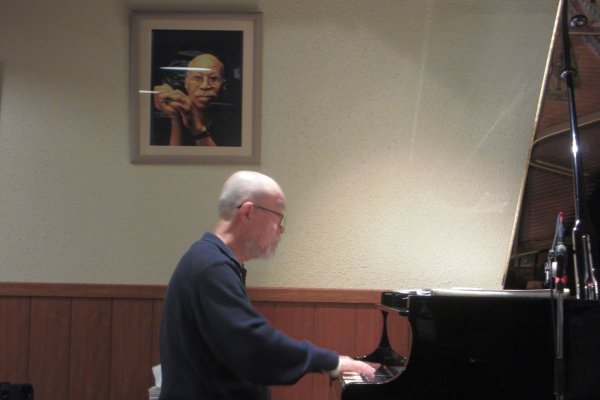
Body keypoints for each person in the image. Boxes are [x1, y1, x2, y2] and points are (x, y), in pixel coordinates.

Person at [158, 171, 376, 400]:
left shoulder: (211, 260)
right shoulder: (211, 267)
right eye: (278, 217)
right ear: (248, 212)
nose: (281, 229)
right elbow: (253, 345)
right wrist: (331, 362)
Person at [152, 53, 241, 147]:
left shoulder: (235, 119)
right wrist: (175, 118)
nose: (205, 85)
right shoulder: (165, 116)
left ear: (223, 85)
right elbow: (170, 156)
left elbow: (225, 157)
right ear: (186, 83)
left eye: (213, 78)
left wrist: (197, 128)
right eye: (197, 78)